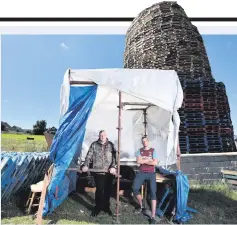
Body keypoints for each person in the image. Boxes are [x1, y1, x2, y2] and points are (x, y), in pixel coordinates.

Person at [82, 130, 117, 217]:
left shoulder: (111, 145)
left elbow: (115, 158)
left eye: (104, 135)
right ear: (99, 136)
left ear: (106, 135)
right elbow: (89, 156)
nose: (102, 136)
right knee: (100, 190)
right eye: (101, 135)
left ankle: (106, 207)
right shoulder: (94, 144)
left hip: (109, 172)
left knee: (108, 190)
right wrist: (85, 165)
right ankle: (98, 207)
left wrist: (113, 167)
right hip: (98, 172)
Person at [133, 136, 158, 224]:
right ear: (142, 142)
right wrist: (149, 159)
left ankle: (153, 217)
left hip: (151, 173)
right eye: (143, 141)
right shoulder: (139, 151)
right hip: (141, 172)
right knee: (135, 188)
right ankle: (142, 205)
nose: (145, 142)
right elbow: (138, 162)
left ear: (148, 141)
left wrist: (144, 160)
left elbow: (155, 162)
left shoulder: (153, 150)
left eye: (146, 141)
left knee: (153, 193)